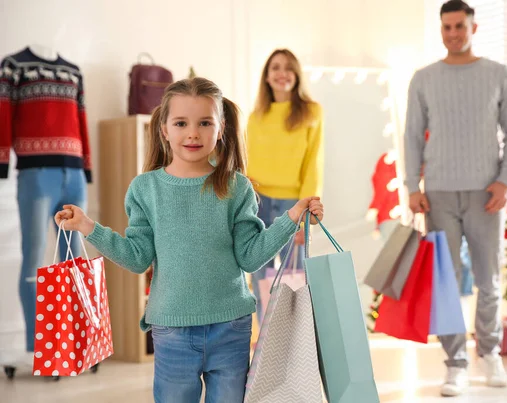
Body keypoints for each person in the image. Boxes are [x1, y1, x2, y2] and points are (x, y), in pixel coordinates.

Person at [54, 77, 324, 403]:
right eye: (181, 123)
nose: (193, 133)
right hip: (172, 331)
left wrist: (291, 218)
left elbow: (250, 257)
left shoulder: (238, 188)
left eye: (205, 123)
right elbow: (138, 256)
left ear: (221, 129)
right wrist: (88, 226)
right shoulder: (145, 189)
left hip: (232, 328)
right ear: (164, 130)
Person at [404, 0, 507, 397]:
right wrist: (412, 187)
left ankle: (490, 353)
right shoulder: (423, 78)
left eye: (459, 26)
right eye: (446, 27)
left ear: (474, 27)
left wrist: (505, 181)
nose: (452, 33)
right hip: (437, 194)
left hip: (485, 193)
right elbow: (411, 137)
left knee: (489, 279)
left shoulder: (498, 74)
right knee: (445, 282)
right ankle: (455, 363)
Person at [246, 48, 324, 323]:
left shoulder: (312, 112)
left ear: (297, 75)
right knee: (260, 273)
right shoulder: (256, 117)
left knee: (297, 276)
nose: (282, 73)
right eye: (276, 67)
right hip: (258, 203)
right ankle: (267, 338)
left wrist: (306, 212)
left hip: (295, 204)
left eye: (289, 68)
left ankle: (296, 338)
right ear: (267, 76)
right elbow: (248, 164)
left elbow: (313, 163)